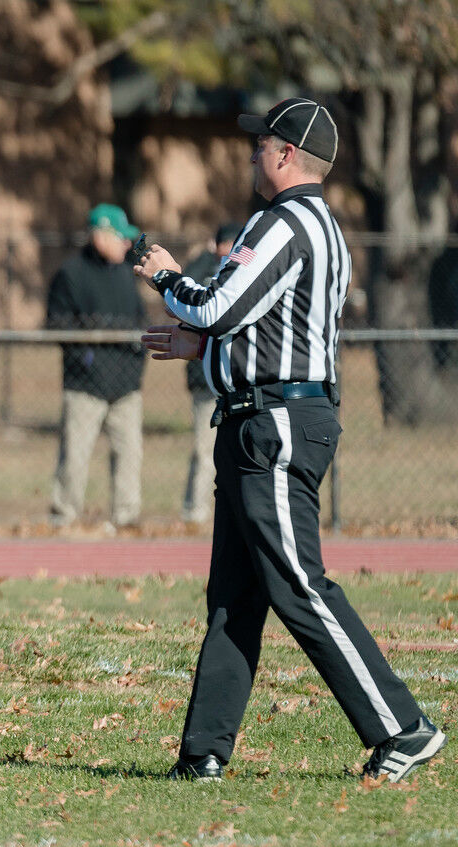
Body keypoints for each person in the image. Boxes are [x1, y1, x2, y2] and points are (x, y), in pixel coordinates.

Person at [136, 97, 445, 783]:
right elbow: (265, 337)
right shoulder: (325, 227)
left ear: (284, 155)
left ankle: (403, 724)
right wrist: (203, 353)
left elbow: (216, 306)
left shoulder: (281, 223)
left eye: (258, 146)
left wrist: (163, 273)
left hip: (273, 426)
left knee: (299, 583)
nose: (249, 155)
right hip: (268, 416)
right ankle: (204, 753)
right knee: (235, 595)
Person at [46, 203, 148, 531]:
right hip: (85, 386)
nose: (127, 244)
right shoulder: (71, 274)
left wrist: (134, 365)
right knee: (74, 457)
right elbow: (58, 324)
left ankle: (126, 517)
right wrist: (87, 358)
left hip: (125, 386)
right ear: (100, 236)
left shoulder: (126, 273)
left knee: (129, 454)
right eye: (120, 237)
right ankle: (65, 517)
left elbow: (138, 322)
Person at [179, 222, 242, 524]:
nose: (229, 251)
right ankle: (195, 510)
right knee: (204, 451)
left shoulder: (244, 271)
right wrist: (206, 256)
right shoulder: (205, 270)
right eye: (226, 244)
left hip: (236, 381)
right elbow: (187, 292)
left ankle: (229, 511)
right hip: (205, 381)